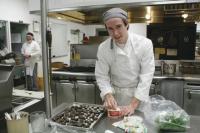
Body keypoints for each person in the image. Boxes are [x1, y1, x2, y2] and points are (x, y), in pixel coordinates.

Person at [95, 8, 155, 116]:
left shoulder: (144, 44)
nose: (115, 33)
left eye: (118, 26)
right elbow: (101, 75)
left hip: (138, 98)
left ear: (126, 24)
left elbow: (146, 76)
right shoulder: (103, 48)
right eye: (110, 29)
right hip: (115, 99)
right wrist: (108, 95)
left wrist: (133, 105)